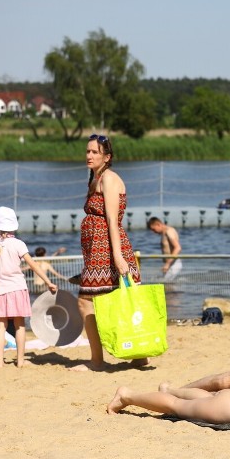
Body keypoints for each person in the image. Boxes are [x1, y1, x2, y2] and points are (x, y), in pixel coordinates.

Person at [77, 134, 145, 371]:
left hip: (108, 250)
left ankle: (97, 361)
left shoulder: (110, 179)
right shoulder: (95, 178)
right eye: (87, 151)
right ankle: (139, 357)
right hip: (97, 250)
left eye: (94, 152)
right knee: (116, 301)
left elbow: (112, 221)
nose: (89, 155)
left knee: (86, 303)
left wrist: (117, 256)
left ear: (107, 156)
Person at [0, 207, 57, 368]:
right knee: (20, 325)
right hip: (17, 289)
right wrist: (48, 282)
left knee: (1, 326)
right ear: (13, 225)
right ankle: (20, 361)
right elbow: (33, 265)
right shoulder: (18, 244)